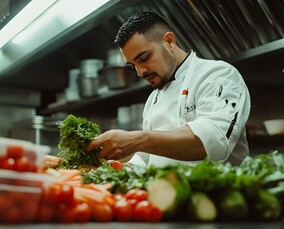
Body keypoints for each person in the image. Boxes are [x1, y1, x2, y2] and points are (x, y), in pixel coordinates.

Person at [86, 10, 251, 167]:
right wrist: (118, 169)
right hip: (166, 194)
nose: (140, 72)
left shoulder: (217, 74)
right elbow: (146, 158)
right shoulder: (153, 100)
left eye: (144, 58)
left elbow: (215, 140)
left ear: (169, 41)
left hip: (218, 194)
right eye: (132, 66)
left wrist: (136, 139)